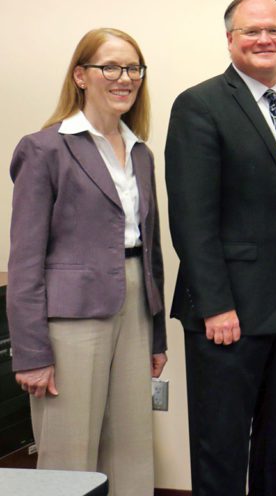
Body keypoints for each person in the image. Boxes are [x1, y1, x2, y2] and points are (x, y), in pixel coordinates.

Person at [165, 0, 276, 496]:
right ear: (230, 39)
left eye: (274, 29)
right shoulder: (201, 105)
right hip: (227, 313)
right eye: (251, 31)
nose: (264, 39)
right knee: (221, 444)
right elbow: (192, 218)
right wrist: (215, 305)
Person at [7, 28, 166, 495]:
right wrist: (31, 353)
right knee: (68, 453)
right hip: (71, 317)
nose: (125, 78)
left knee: (133, 448)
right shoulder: (44, 148)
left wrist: (156, 334)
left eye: (133, 68)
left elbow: (151, 249)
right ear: (80, 75)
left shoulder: (141, 152)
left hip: (135, 304)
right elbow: (25, 261)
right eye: (110, 67)